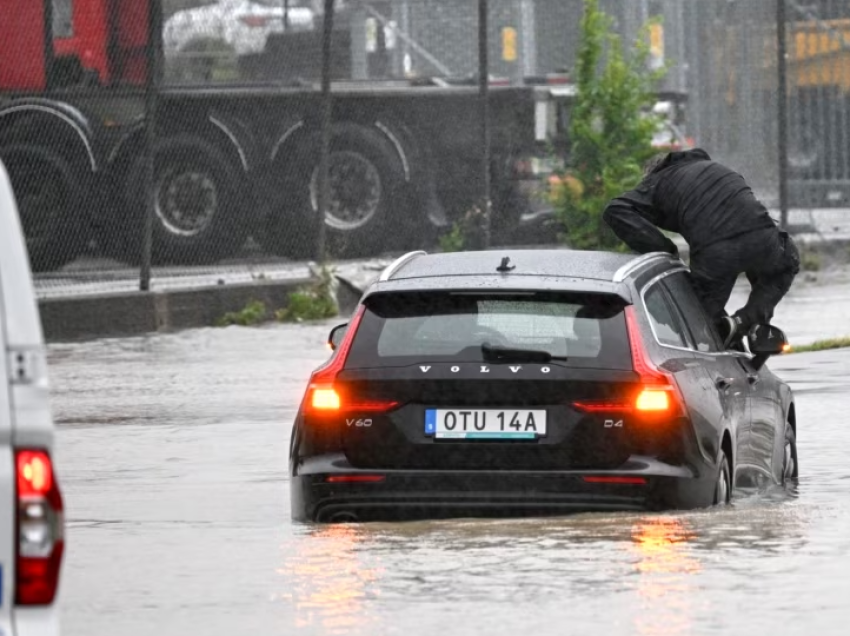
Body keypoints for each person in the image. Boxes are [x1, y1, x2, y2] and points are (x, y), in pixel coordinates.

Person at [602, 148, 800, 348]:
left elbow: (616, 210)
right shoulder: (719, 169)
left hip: (716, 253)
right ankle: (743, 323)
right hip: (763, 237)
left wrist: (664, 250)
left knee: (698, 319)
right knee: (784, 266)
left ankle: (716, 343)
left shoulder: (659, 181)